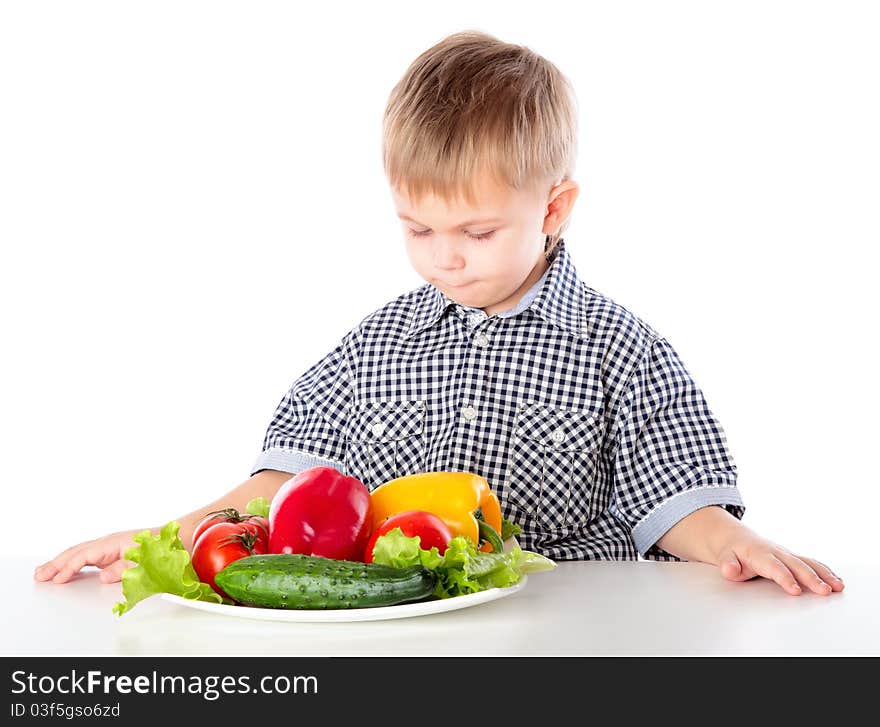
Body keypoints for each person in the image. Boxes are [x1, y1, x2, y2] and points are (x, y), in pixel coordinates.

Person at [35, 30, 843, 597]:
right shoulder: (373, 343)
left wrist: (740, 546)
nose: (444, 257)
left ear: (554, 207)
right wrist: (163, 539)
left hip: (566, 633)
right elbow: (280, 485)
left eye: (477, 231)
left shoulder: (621, 350)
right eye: (417, 229)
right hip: (398, 636)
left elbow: (675, 504)